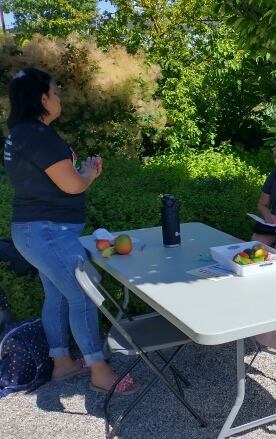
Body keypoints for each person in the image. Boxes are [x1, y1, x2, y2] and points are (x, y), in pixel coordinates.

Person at [4, 68, 137, 394]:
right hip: (50, 232)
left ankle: (62, 364)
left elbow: (48, 180)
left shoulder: (19, 135)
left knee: (58, 296)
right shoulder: (39, 136)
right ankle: (99, 371)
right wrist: (88, 173)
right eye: (55, 92)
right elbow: (72, 184)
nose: (59, 97)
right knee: (83, 294)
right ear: (42, 98)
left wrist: (73, 168)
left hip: (35, 231)